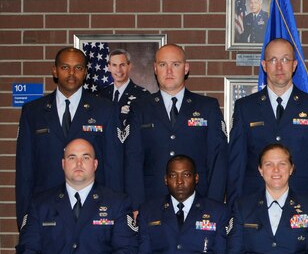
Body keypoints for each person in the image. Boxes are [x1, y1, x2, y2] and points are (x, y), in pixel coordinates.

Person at [16, 47, 123, 226]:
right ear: (55, 71)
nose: (72, 73)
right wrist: (24, 216)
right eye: (65, 67)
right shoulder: (33, 112)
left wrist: (115, 214)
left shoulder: (105, 110)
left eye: (78, 68)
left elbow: (113, 166)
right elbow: (25, 169)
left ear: (86, 72)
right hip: (45, 210)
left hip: (94, 209)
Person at [228, 38, 308, 205]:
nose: (279, 66)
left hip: (303, 199)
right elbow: (236, 165)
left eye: (285, 59)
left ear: (294, 65)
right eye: (273, 60)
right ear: (264, 65)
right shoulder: (245, 108)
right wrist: (234, 207)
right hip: (254, 201)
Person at [125, 44, 227, 209]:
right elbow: (133, 160)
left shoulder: (207, 107)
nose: (169, 71)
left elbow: (218, 160)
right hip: (152, 203)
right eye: (163, 65)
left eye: (176, 64)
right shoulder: (140, 108)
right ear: (155, 68)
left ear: (186, 68)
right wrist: (137, 206)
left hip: (199, 203)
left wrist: (213, 205)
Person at [97, 48, 150, 130]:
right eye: (114, 65)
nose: (118, 70)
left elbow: (146, 129)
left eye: (122, 65)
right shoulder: (101, 95)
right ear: (109, 67)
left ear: (129, 66)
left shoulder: (143, 95)